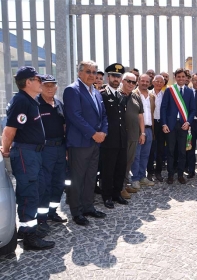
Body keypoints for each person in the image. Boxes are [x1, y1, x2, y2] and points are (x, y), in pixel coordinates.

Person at [1, 66, 55, 250]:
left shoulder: (29, 100)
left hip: (34, 153)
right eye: (38, 79)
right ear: (28, 82)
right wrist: (6, 150)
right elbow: (9, 130)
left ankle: (28, 229)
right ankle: (29, 237)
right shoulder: (21, 101)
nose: (41, 82)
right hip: (26, 153)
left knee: (36, 190)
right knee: (28, 194)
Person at [63, 60, 108, 226]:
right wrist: (93, 134)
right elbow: (75, 116)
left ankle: (89, 206)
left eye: (94, 72)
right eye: (88, 71)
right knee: (78, 178)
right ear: (79, 73)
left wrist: (103, 132)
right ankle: (77, 211)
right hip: (80, 143)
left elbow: (103, 115)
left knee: (91, 177)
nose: (92, 75)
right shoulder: (72, 90)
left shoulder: (95, 92)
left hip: (96, 143)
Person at [37, 75, 67, 224]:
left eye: (52, 85)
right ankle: (41, 218)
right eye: (46, 85)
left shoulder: (59, 104)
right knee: (45, 184)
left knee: (59, 183)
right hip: (45, 149)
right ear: (40, 87)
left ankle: (52, 212)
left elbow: (64, 126)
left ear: (56, 87)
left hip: (60, 148)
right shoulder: (36, 104)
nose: (49, 88)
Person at [99, 63, 130, 208]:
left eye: (118, 76)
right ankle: (107, 196)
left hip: (121, 138)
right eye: (113, 76)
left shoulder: (122, 96)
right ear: (108, 77)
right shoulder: (102, 95)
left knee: (120, 168)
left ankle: (117, 193)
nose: (116, 79)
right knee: (108, 169)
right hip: (108, 139)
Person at [161, 68, 196, 184]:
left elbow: (193, 110)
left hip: (183, 125)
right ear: (175, 78)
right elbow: (163, 108)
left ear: (186, 78)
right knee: (170, 151)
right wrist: (164, 123)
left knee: (182, 151)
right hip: (170, 125)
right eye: (178, 77)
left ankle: (180, 174)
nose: (181, 79)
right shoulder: (170, 90)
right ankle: (170, 174)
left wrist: (188, 122)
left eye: (183, 77)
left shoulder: (190, 92)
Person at [120, 72, 145, 194]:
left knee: (129, 161)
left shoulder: (136, 96)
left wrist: (143, 133)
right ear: (122, 81)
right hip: (121, 136)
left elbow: (140, 116)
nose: (131, 84)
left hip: (134, 135)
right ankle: (119, 187)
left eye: (133, 82)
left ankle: (124, 184)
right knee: (120, 162)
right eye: (128, 81)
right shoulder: (117, 95)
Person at [131, 74, 155, 187]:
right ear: (138, 81)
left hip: (149, 129)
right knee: (136, 155)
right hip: (137, 129)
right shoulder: (133, 94)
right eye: (143, 81)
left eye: (147, 81)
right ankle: (135, 178)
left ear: (150, 83)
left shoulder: (151, 96)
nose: (145, 83)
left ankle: (142, 176)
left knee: (145, 155)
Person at [147, 75, 165, 182]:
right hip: (151, 124)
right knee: (150, 149)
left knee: (160, 149)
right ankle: (149, 171)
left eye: (161, 82)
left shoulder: (165, 95)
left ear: (163, 84)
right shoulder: (148, 94)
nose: (159, 83)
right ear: (152, 82)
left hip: (161, 124)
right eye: (156, 81)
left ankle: (158, 172)